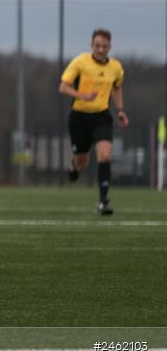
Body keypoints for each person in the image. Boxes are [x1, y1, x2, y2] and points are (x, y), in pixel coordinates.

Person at [59, 28, 128, 216]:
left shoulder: (115, 67)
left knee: (104, 155)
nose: (100, 49)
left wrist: (120, 110)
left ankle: (103, 202)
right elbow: (63, 87)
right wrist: (82, 95)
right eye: (97, 45)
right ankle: (74, 165)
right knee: (82, 163)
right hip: (79, 117)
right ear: (91, 46)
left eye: (104, 46)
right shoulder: (81, 62)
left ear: (109, 47)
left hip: (101, 117)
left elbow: (117, 87)